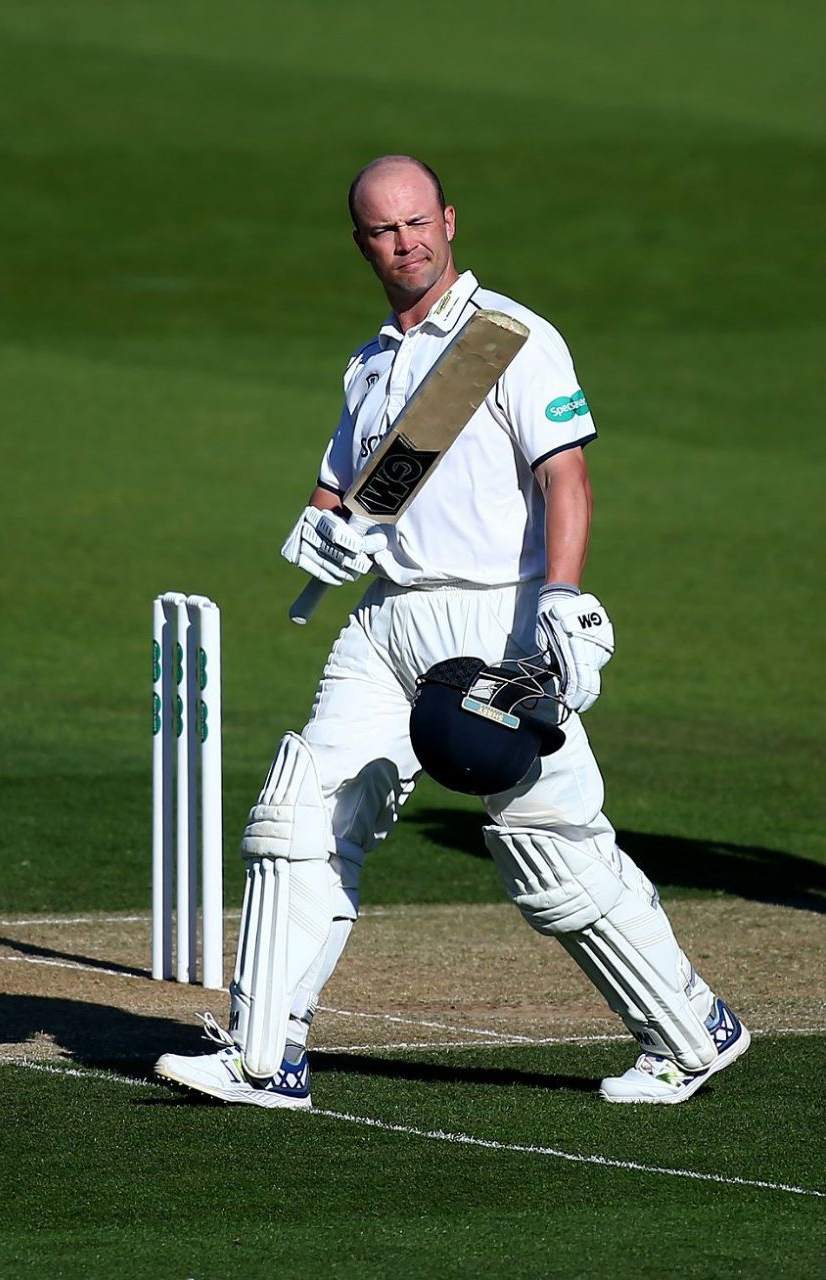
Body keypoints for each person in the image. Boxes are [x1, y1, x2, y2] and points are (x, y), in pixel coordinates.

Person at [155, 155, 749, 1108]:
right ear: (363, 245)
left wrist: (561, 600)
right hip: (383, 622)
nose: (406, 243)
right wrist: (322, 529)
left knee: (547, 845)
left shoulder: (507, 340)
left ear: (449, 220)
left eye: (418, 222)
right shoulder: (369, 362)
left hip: (492, 622)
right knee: (300, 815)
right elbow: (348, 487)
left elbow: (566, 478)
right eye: (385, 232)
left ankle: (691, 1031)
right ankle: (265, 1058)